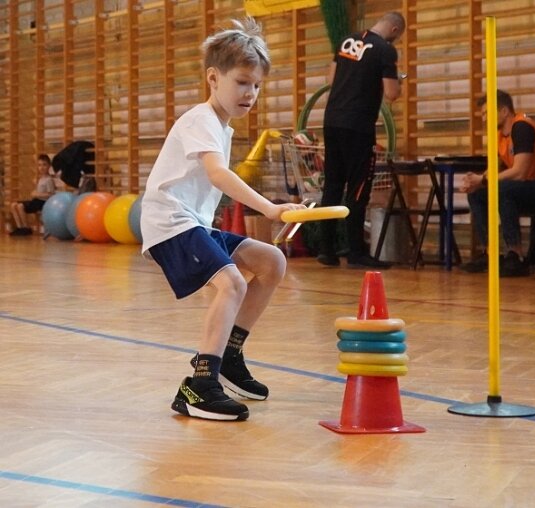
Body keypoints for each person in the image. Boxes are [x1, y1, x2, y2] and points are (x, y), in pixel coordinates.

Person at [140, 18, 305, 422]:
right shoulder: (201, 120)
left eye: (257, 85)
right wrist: (270, 208)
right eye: (242, 82)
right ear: (214, 78)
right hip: (170, 222)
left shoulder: (221, 127)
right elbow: (218, 175)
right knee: (230, 282)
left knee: (271, 262)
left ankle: (228, 356)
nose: (250, 93)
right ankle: (199, 385)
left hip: (193, 221)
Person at [317, 12, 406, 269]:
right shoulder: (385, 50)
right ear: (394, 28)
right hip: (358, 126)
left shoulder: (347, 41)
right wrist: (396, 81)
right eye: (397, 35)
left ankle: (327, 250)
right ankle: (356, 252)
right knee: (358, 187)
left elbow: (331, 79)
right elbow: (391, 94)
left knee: (333, 185)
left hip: (332, 120)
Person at [460, 90, 535, 277]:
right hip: (533, 187)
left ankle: (516, 254)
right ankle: (491, 252)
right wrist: (476, 182)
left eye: (486, 113)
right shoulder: (498, 135)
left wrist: (483, 180)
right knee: (477, 194)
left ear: (504, 111)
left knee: (502, 190)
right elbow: (495, 170)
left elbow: (520, 172)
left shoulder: (521, 127)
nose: (484, 119)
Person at [9, 154, 56, 236]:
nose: (42, 167)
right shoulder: (41, 178)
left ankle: (26, 228)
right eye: (39, 165)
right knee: (13, 205)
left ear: (49, 166)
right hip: (36, 201)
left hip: (42, 203)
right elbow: (38, 192)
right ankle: (20, 227)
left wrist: (37, 194)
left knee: (20, 206)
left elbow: (51, 195)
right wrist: (35, 193)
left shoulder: (49, 179)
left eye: (44, 165)